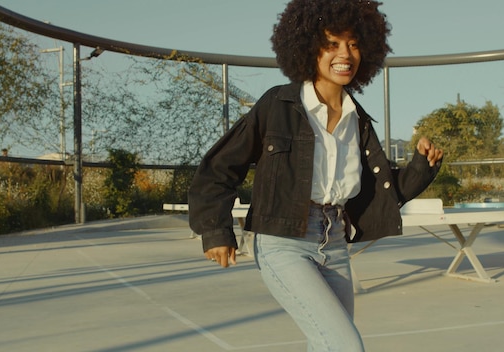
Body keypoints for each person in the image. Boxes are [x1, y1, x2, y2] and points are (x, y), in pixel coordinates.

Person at [188, 0, 443, 350]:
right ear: (308, 48)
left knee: (325, 345)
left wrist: (422, 166)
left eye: (353, 44)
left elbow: (382, 192)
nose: (345, 54)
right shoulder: (277, 106)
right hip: (283, 242)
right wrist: (216, 230)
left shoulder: (359, 121)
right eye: (332, 43)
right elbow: (220, 167)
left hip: (335, 241)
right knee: (344, 345)